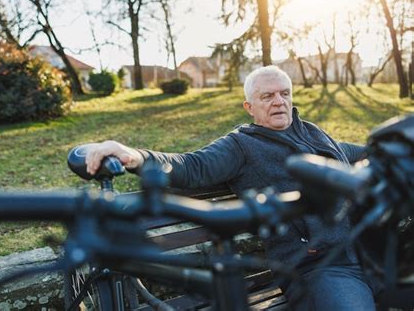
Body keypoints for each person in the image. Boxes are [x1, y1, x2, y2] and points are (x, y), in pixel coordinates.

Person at [85, 66, 376, 310]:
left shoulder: (312, 131)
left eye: (284, 93)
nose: (279, 101)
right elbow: (191, 166)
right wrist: (133, 156)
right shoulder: (241, 145)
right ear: (249, 107)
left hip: (368, 251)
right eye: (267, 96)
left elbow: (356, 153)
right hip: (319, 268)